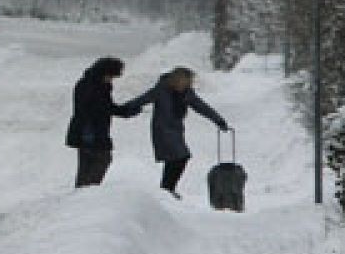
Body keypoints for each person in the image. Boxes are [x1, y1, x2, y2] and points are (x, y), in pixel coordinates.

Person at [121, 66, 229, 198]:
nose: (188, 84)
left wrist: (219, 120)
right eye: (186, 81)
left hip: (176, 129)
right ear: (177, 80)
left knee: (177, 158)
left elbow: (201, 107)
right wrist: (123, 109)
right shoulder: (161, 90)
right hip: (162, 130)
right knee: (179, 156)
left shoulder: (187, 93)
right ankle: (167, 188)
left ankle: (167, 188)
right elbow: (142, 99)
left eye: (189, 82)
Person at [65, 56, 141, 188]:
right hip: (90, 132)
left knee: (87, 166)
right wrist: (125, 111)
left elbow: (104, 107)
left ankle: (81, 196)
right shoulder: (93, 87)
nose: (111, 79)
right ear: (105, 73)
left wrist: (124, 110)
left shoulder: (92, 84)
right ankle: (87, 194)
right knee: (101, 160)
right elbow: (101, 108)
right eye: (111, 76)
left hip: (88, 131)